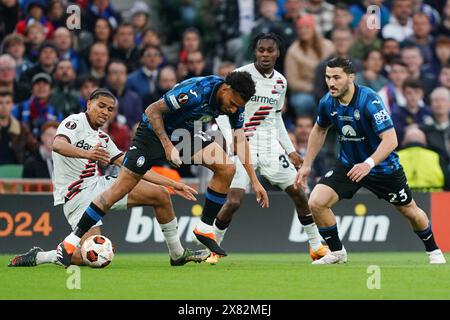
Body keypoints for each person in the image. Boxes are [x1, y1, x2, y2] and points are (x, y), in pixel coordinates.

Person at [55, 71, 269, 267]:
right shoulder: (195, 92)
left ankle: (204, 229)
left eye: (236, 106)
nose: (232, 109)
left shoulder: (236, 103)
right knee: (116, 192)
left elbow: (240, 140)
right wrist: (167, 147)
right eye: (231, 103)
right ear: (225, 89)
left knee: (226, 168)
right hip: (151, 135)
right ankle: (71, 241)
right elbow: (152, 110)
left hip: (184, 135)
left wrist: (255, 180)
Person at [8, 89, 206, 267]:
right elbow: (57, 145)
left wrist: (173, 184)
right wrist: (88, 154)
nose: (105, 112)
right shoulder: (74, 122)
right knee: (90, 256)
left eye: (110, 109)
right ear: (88, 104)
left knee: (161, 194)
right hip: (76, 197)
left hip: (99, 186)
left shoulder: (103, 138)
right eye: (101, 106)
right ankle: (43, 256)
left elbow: (135, 167)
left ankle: (177, 254)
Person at [296, 57, 446, 265]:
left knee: (408, 210)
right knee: (316, 202)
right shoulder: (327, 102)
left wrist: (368, 164)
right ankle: (337, 252)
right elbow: (319, 129)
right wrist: (307, 164)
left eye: (337, 77)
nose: (331, 83)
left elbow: (391, 139)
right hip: (349, 165)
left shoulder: (370, 100)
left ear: (350, 77)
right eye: (328, 77)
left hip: (382, 168)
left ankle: (433, 250)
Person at [213, 33, 328, 265]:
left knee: (298, 192)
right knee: (234, 201)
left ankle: (316, 246)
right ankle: (211, 247)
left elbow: (275, 119)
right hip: (242, 145)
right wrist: (233, 140)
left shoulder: (281, 82)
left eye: (270, 50)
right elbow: (223, 113)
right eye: (261, 50)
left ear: (277, 53)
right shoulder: (240, 76)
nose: (265, 54)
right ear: (255, 52)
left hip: (269, 147)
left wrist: (290, 149)